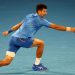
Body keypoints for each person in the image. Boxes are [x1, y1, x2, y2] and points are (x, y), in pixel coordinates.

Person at [1, 3, 75, 71]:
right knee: (41, 43)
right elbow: (56, 27)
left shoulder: (29, 15)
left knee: (7, 62)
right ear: (39, 11)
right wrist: (71, 29)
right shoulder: (40, 20)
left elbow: (18, 24)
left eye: (46, 11)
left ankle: (36, 65)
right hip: (21, 39)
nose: (46, 13)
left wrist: (8, 31)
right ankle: (36, 65)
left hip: (13, 39)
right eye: (44, 11)